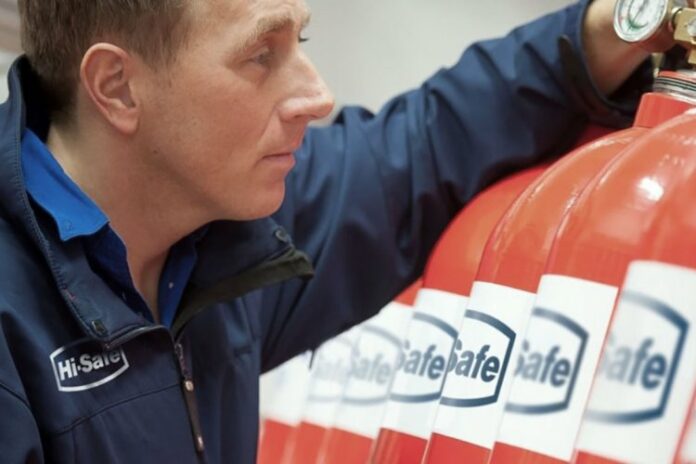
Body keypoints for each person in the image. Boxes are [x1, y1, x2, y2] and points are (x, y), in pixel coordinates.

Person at [0, 0, 654, 462]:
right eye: (261, 54)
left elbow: (421, 150)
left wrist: (611, 29)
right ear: (117, 88)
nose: (317, 97)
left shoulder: (224, 226)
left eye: (300, 43)